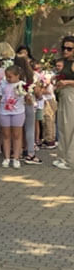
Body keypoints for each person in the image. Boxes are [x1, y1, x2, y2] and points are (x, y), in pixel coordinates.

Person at [0, 64, 27, 168]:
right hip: (4, 111)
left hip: (18, 112)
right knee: (6, 135)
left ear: (17, 75)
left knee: (17, 135)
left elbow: (27, 97)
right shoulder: (3, 84)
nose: (8, 79)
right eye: (7, 76)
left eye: (10, 77)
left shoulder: (22, 84)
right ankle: (6, 157)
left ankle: (16, 158)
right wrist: (0, 103)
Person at [53, 36, 74, 170]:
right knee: (62, 126)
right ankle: (62, 156)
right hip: (63, 95)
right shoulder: (65, 62)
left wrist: (66, 82)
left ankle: (69, 160)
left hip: (71, 95)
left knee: (69, 127)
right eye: (64, 48)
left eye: (69, 48)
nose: (65, 51)